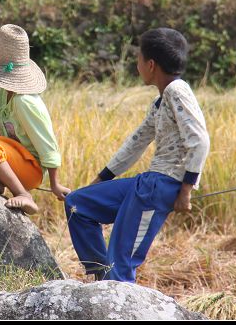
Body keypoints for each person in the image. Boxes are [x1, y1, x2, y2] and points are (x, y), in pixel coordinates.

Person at [64, 28, 210, 282]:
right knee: (78, 205)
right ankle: (102, 276)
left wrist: (186, 190)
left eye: (138, 59)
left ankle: (114, 283)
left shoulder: (177, 91)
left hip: (160, 186)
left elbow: (200, 140)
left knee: (121, 261)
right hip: (147, 183)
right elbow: (136, 142)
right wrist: (100, 180)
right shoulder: (160, 101)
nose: (137, 65)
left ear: (150, 64)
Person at [0, 24, 70, 215]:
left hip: (29, 167)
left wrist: (55, 184)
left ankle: (23, 193)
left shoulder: (25, 102)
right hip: (9, 152)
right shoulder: (4, 90)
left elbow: (48, 145)